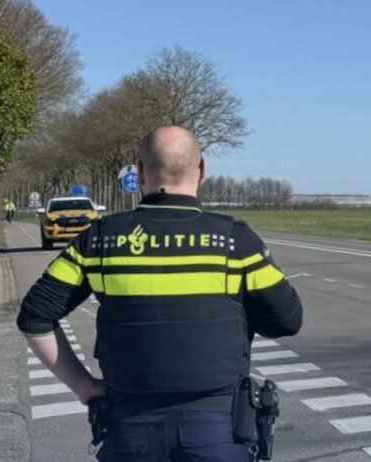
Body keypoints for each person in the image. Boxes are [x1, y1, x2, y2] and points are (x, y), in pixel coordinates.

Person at [17, 126, 303, 461]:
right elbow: (287, 321)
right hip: (218, 429)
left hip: (128, 427)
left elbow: (35, 317)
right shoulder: (235, 241)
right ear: (203, 170)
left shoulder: (100, 240)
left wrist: (83, 386)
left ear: (138, 172)